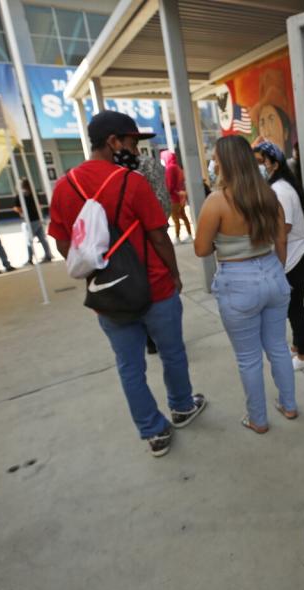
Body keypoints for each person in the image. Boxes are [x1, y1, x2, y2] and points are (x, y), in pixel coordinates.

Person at [47, 111, 207, 457]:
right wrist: (175, 275)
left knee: (129, 365)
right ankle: (181, 406)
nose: (136, 151)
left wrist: (96, 272)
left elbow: (64, 244)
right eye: (132, 143)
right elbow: (159, 236)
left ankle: (153, 431)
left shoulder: (64, 187)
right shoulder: (131, 182)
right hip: (155, 288)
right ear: (113, 142)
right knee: (172, 353)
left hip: (108, 293)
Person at [194, 136, 296, 434]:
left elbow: (201, 249)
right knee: (278, 347)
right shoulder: (268, 195)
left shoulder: (217, 201)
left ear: (225, 163)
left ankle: (258, 419)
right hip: (274, 274)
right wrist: (276, 269)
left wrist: (228, 244)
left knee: (248, 358)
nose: (212, 164)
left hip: (237, 283)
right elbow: (281, 240)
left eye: (214, 158)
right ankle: (289, 405)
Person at [254, 141, 304, 370]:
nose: (259, 167)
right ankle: (299, 347)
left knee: (294, 307)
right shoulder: (281, 187)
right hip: (296, 256)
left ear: (274, 164)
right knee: (292, 307)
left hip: (294, 257)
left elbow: (284, 228)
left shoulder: (280, 190)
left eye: (262, 162)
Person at [136, 151, 173, 356]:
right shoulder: (149, 164)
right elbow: (162, 203)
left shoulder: (105, 169)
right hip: (152, 240)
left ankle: (149, 338)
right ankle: (159, 338)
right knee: (158, 289)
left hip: (123, 247)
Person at [13, 178, 53, 264]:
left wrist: (20, 212)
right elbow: (39, 205)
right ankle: (48, 255)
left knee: (29, 241)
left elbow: (18, 208)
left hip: (28, 221)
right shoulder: (34, 193)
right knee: (42, 239)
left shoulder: (20, 195)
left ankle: (30, 259)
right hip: (38, 219)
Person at [161, 149, 193, 242]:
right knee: (183, 216)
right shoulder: (177, 167)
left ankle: (177, 237)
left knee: (175, 218)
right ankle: (190, 235)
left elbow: (170, 185)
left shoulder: (170, 168)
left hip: (174, 198)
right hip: (180, 197)